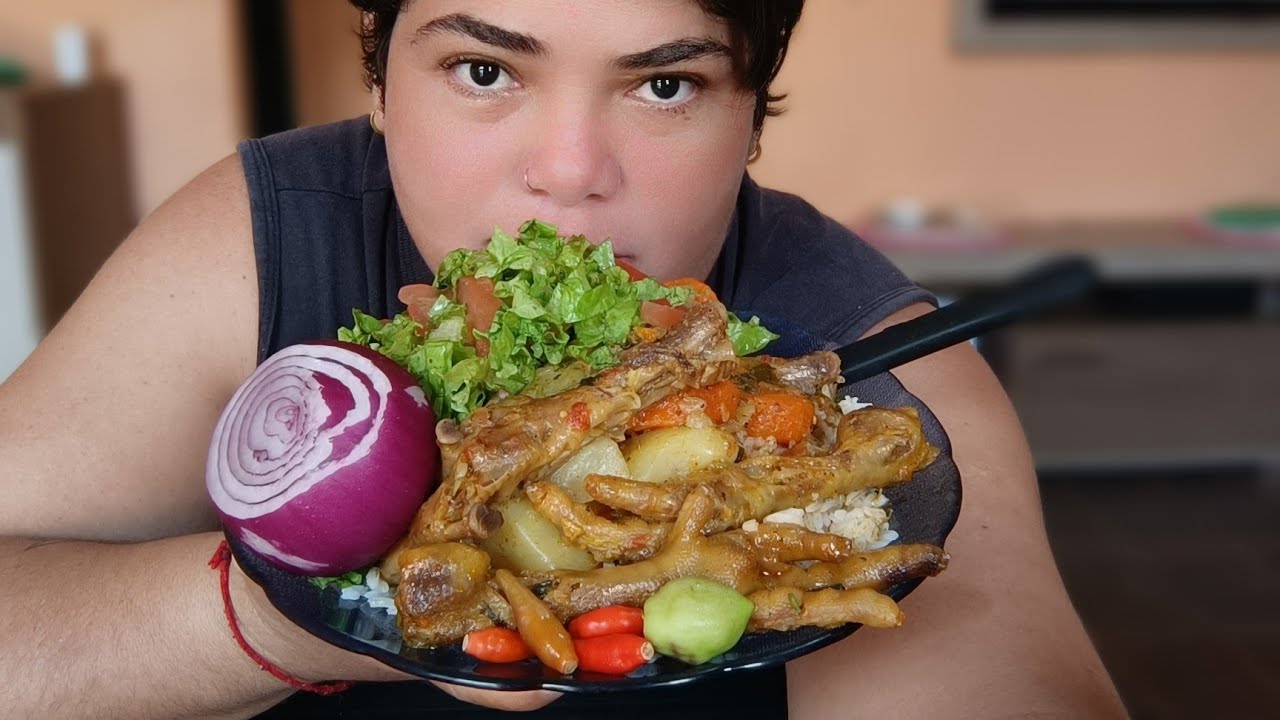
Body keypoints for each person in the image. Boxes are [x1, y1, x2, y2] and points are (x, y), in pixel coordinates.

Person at [0, 1, 1127, 718]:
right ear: (382, 85)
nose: (570, 172)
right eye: (485, 71)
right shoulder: (266, 231)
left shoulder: (868, 358)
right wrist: (276, 618)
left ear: (752, 122)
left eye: (665, 83)